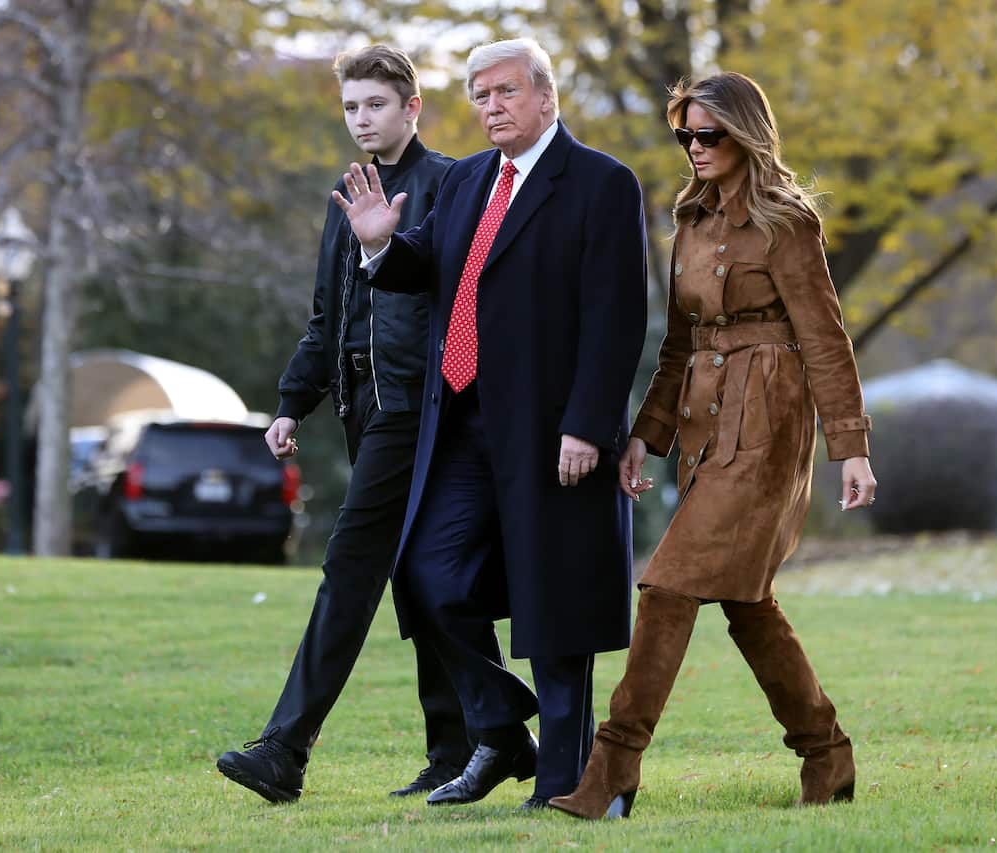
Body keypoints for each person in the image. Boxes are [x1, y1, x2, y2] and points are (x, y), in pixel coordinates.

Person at [548, 71, 878, 821]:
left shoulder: (787, 223)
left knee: (667, 586)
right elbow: (677, 343)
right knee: (746, 602)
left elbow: (825, 338)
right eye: (686, 135)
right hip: (706, 424)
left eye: (709, 135)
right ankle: (827, 755)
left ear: (745, 135)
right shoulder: (689, 221)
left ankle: (612, 769)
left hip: (769, 427)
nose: (695, 148)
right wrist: (645, 438)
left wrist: (850, 447)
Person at [333, 38, 648, 810]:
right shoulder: (468, 179)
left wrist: (589, 424)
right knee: (426, 573)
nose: (491, 106)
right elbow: (431, 269)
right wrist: (380, 245)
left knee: (555, 601)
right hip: (462, 424)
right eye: (479, 94)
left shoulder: (602, 183)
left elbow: (617, 317)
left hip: (553, 430)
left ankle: (566, 783)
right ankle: (504, 724)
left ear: (546, 96)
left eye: (506, 91)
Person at [216, 44, 471, 805]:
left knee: (351, 565)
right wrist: (294, 403)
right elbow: (327, 318)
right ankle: (466, 744)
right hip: (365, 409)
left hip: (419, 409)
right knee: (418, 576)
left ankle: (285, 748)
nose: (362, 119)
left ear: (411, 107)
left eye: (377, 105)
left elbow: (456, 303)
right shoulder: (343, 194)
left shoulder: (448, 183)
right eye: (352, 107)